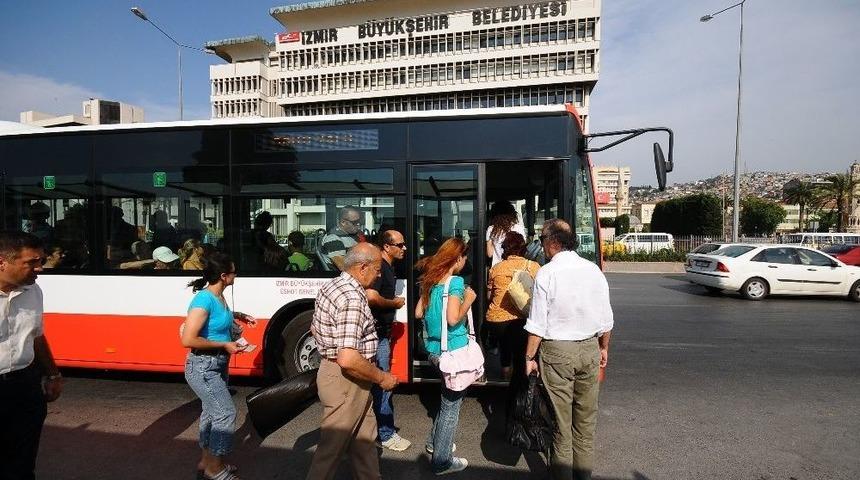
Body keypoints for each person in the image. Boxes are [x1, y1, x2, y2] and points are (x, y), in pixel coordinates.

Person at [524, 219, 614, 480]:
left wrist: (529, 357)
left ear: (552, 242)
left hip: (556, 353)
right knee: (585, 424)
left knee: (561, 427)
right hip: (589, 348)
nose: (541, 245)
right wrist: (603, 348)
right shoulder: (593, 270)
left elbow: (538, 324)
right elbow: (606, 320)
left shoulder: (547, 273)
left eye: (541, 240)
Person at [306, 243, 398, 480]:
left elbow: (314, 328)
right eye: (377, 269)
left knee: (365, 441)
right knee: (330, 452)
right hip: (346, 381)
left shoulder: (333, 286)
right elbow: (347, 358)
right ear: (363, 267)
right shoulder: (353, 299)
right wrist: (382, 377)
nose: (379, 275)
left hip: (342, 378)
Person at [181, 252, 256, 480]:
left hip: (217, 363)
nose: (236, 276)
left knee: (211, 413)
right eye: (234, 272)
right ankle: (215, 469)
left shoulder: (218, 297)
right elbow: (188, 339)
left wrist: (238, 315)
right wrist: (225, 344)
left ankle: (207, 461)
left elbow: (216, 318)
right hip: (203, 367)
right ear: (224, 276)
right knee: (225, 413)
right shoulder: (203, 300)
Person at [0, 231, 63, 480]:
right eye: (31, 262)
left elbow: (35, 335)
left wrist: (52, 373)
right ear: (2, 261)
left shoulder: (33, 291)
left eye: (41, 261)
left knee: (23, 461)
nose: (40, 268)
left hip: (25, 386)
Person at [414, 237, 477, 475]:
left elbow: (419, 312)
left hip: (434, 351)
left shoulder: (431, 281)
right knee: (452, 406)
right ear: (457, 258)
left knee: (446, 399)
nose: (465, 261)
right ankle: (442, 461)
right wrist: (468, 301)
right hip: (453, 353)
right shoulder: (456, 282)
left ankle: (435, 443)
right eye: (464, 257)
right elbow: (453, 319)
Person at [367, 229, 410, 451]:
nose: (404, 249)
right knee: (383, 383)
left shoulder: (387, 266)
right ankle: (385, 434)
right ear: (386, 247)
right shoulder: (380, 268)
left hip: (382, 332)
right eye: (400, 245)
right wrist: (394, 303)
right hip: (376, 334)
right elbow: (371, 297)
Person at [486, 232, 540, 382]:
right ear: (523, 248)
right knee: (520, 351)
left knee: (504, 345)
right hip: (522, 320)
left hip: (496, 321)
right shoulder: (533, 267)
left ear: (505, 249)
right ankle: (519, 381)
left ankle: (505, 373)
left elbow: (489, 297)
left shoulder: (496, 268)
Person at [319, 206, 365, 271]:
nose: (358, 224)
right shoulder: (333, 239)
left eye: (359, 221)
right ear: (343, 222)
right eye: (354, 222)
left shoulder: (352, 235)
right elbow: (344, 267)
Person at [486, 201, 526, 267]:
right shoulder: (519, 228)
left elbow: (489, 254)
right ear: (512, 213)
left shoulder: (491, 229)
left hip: (498, 268)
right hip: (516, 267)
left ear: (494, 214)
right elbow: (522, 250)